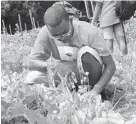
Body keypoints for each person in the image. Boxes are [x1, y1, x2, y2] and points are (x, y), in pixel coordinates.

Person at [26, 4, 116, 96]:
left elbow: (110, 66)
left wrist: (96, 91)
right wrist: (49, 66)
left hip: (90, 75)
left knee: (86, 51)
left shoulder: (89, 32)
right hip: (64, 75)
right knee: (32, 77)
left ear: (70, 20)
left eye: (65, 32)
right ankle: (61, 94)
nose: (62, 38)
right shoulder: (45, 33)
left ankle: (89, 89)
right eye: (56, 36)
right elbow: (31, 62)